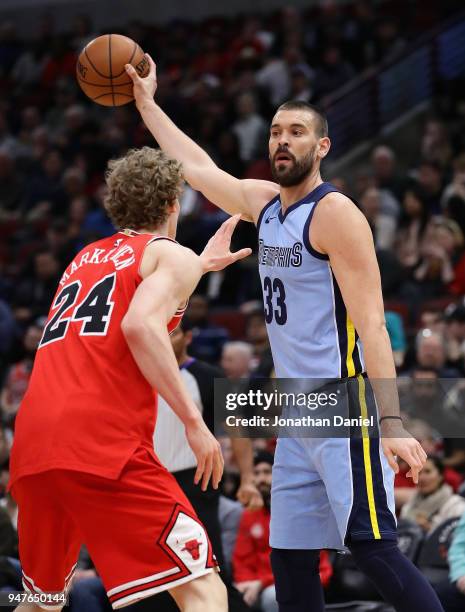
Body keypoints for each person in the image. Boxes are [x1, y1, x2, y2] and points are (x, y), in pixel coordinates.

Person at [127, 57, 443, 612]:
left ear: (321, 147)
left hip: (345, 402)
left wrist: (390, 422)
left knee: (372, 547)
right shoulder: (265, 205)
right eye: (276, 131)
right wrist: (147, 105)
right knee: (290, 558)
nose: (283, 141)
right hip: (295, 410)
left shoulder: (336, 212)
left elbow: (371, 322)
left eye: (297, 132)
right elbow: (197, 168)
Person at [8, 146, 253, 612]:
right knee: (202, 583)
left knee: (41, 600)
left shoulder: (84, 258)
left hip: (34, 446)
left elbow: (123, 300)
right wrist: (194, 422)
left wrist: (198, 266)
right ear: (172, 203)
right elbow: (139, 325)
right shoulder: (170, 256)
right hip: (100, 442)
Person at [400, 457, 465, 532]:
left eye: (428, 472)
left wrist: (430, 530)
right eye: (418, 472)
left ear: (441, 476)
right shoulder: (407, 507)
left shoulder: (456, 506)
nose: (422, 478)